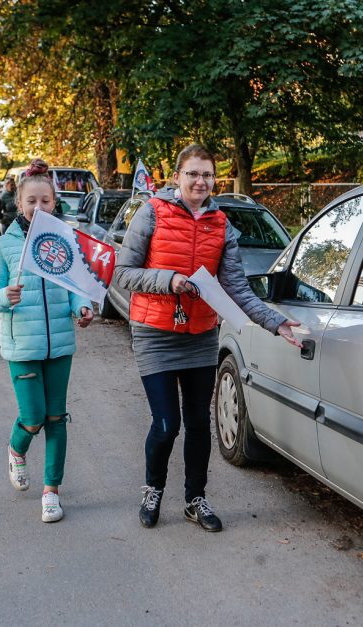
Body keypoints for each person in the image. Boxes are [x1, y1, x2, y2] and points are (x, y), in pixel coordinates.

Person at [114, 143, 302, 533]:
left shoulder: (222, 225)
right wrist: (170, 280)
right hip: (155, 333)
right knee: (167, 424)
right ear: (176, 177)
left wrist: (276, 323)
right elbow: (123, 273)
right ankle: (153, 489)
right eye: (193, 174)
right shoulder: (152, 213)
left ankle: (194, 499)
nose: (200, 181)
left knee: (200, 423)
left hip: (199, 334)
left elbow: (237, 287)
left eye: (207, 175)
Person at [0, 159, 94, 523]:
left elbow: (76, 287)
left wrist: (82, 308)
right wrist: (4, 297)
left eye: (46, 201)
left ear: (54, 202)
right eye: (32, 201)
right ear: (19, 202)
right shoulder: (3, 245)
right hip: (22, 346)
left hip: (60, 344)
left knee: (56, 417)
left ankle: (51, 492)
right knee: (32, 417)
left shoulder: (65, 238)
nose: (39, 207)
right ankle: (17, 450)